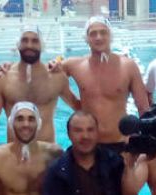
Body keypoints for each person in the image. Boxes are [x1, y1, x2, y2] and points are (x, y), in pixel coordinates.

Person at [53, 16, 150, 150]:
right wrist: (77, 105)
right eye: (93, 33)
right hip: (88, 145)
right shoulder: (74, 65)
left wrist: (139, 138)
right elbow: (51, 77)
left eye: (103, 32)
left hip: (121, 142)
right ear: (86, 38)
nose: (98, 37)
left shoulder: (128, 66)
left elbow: (143, 108)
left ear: (110, 36)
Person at [0, 26, 80, 144]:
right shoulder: (3, 77)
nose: (29, 45)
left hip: (47, 153)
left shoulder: (56, 77)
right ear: (18, 45)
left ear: (42, 46)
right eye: (25, 40)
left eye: (35, 41)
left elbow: (78, 107)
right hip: (14, 154)